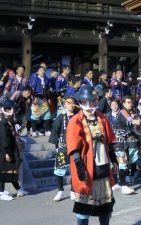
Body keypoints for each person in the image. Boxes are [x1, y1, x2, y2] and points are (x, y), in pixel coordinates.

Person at [67, 85, 117, 225]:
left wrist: (114, 161)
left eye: (94, 100)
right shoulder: (75, 121)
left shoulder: (102, 118)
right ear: (82, 102)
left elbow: (110, 141)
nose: (91, 104)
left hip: (103, 168)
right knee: (84, 209)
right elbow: (74, 147)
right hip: (87, 168)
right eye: (87, 101)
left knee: (105, 208)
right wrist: (79, 166)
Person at [0, 99, 27, 201]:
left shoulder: (7, 121)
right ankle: (1, 193)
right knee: (2, 173)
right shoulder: (3, 123)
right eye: (9, 109)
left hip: (9, 150)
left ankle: (19, 189)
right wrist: (6, 153)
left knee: (12, 172)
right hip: (4, 151)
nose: (12, 111)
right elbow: (3, 139)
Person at [49, 95, 78, 202]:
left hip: (75, 148)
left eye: (72, 103)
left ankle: (73, 191)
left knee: (74, 171)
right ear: (65, 104)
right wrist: (56, 147)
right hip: (63, 147)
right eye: (68, 103)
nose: (71, 105)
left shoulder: (78, 116)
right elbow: (54, 133)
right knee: (59, 171)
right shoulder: (61, 117)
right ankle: (60, 191)